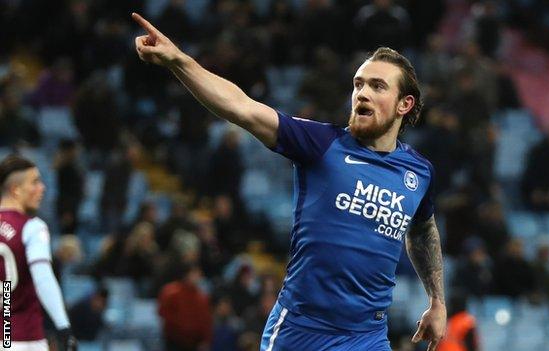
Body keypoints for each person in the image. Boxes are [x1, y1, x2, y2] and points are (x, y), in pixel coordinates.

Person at [132, 12, 446, 351]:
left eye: (377, 86)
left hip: (365, 338)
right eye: (358, 84)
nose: (362, 93)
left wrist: (437, 301)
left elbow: (423, 229)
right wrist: (178, 60)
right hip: (300, 332)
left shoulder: (418, 172)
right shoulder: (321, 144)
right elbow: (241, 107)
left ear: (405, 104)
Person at [0, 155, 77, 351]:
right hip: (23, 339)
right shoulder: (32, 227)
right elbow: (43, 278)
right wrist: (64, 327)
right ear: (16, 189)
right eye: (35, 182)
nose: (42, 188)